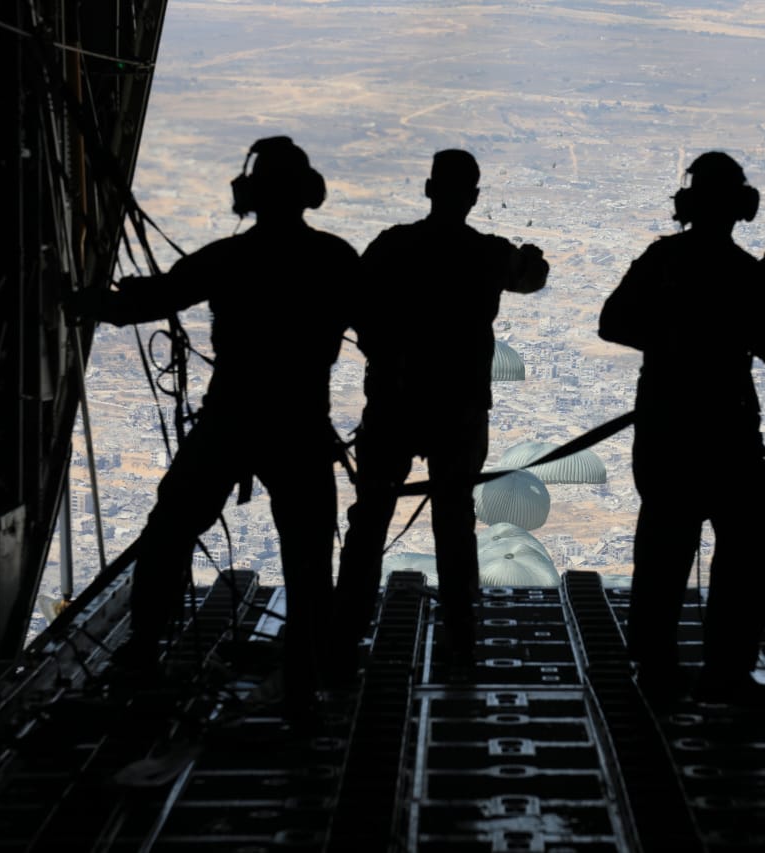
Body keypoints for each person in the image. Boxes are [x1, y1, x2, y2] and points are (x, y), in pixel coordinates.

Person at [70, 136, 360, 717]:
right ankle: (304, 676)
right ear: (309, 196)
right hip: (300, 426)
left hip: (230, 420)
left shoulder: (227, 259)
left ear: (249, 195)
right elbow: (382, 330)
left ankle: (142, 652)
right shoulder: (335, 258)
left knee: (169, 530)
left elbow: (141, 305)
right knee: (308, 555)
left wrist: (71, 296)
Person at [333, 149, 549, 677]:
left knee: (370, 519)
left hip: (394, 403)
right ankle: (462, 640)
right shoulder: (488, 254)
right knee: (454, 526)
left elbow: (352, 303)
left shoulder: (393, 246)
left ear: (429, 190)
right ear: (473, 197)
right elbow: (532, 277)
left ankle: (343, 636)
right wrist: (532, 256)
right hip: (459, 410)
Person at [598, 151, 765, 709]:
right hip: (727, 430)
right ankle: (726, 673)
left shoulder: (663, 260)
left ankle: (656, 669)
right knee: (750, 544)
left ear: (686, 204)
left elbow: (613, 322)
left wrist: (671, 339)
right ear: (743, 207)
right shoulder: (747, 273)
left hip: (667, 426)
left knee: (664, 546)